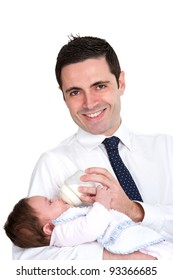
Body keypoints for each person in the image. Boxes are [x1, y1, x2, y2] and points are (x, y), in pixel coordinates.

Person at [13, 35, 173, 260]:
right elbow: (28, 259)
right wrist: (121, 260)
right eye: (75, 92)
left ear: (121, 83)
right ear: (64, 97)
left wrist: (134, 210)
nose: (89, 104)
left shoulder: (167, 148)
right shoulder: (53, 163)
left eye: (100, 86)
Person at [5, 186, 173, 259]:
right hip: (135, 246)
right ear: (48, 228)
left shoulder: (65, 224)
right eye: (50, 202)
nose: (55, 198)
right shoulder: (62, 232)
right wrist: (102, 202)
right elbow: (92, 227)